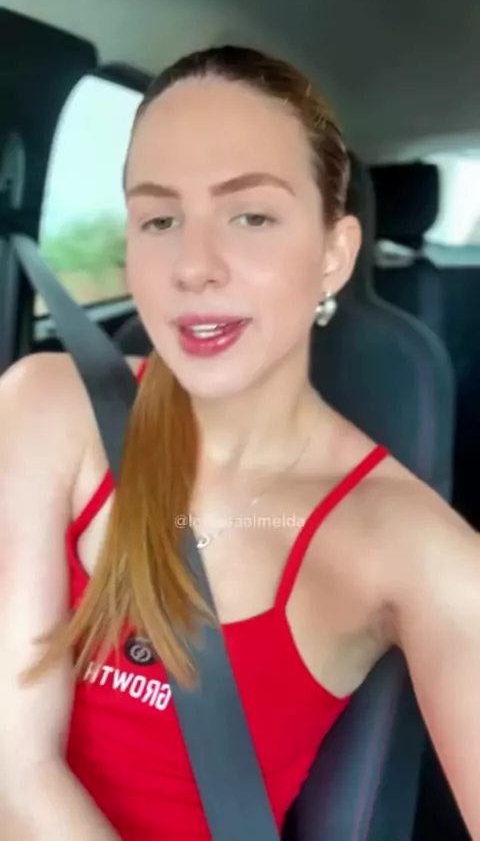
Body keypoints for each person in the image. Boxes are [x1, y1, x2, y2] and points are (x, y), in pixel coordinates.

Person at [0, 44, 479, 841]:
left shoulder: (405, 541)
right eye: (160, 219)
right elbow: (11, 767)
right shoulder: (46, 403)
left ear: (333, 254)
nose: (193, 267)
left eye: (251, 216)